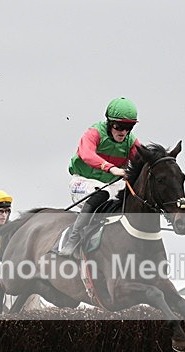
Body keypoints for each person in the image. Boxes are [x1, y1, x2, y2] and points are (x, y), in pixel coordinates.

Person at [57, 97, 142, 257]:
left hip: (111, 185)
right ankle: (73, 239)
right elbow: (86, 153)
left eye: (128, 127)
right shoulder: (94, 133)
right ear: (109, 122)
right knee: (100, 195)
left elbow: (143, 159)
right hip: (83, 181)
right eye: (119, 126)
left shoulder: (130, 141)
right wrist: (110, 168)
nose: (123, 132)